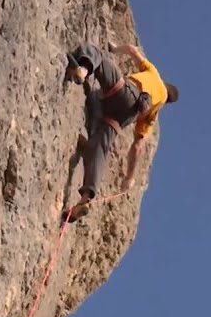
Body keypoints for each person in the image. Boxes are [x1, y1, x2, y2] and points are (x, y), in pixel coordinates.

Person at [62, 41, 178, 222]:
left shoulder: (154, 74)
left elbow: (132, 50)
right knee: (98, 147)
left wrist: (114, 49)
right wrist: (130, 177)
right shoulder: (155, 112)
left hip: (125, 92)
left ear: (165, 84)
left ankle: (83, 69)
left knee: (97, 54)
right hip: (125, 116)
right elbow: (138, 146)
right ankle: (85, 199)